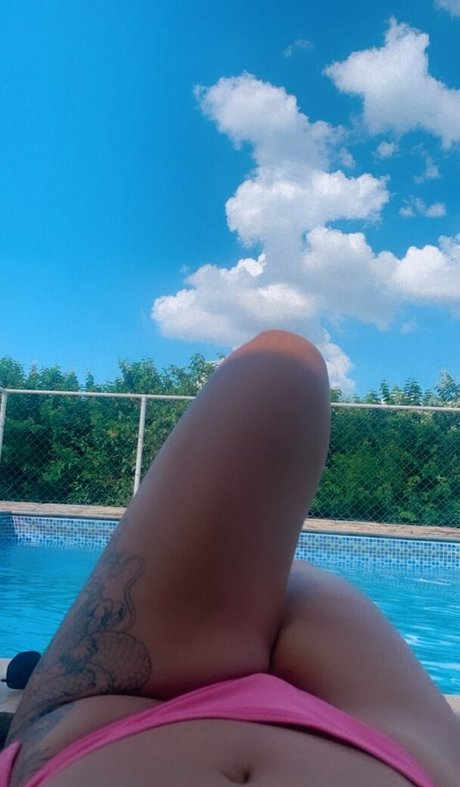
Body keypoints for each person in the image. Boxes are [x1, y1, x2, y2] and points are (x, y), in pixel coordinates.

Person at [1, 330, 459, 787]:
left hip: (97, 730)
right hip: (402, 763)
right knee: (281, 368)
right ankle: (266, 600)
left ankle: (256, 605)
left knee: (278, 368)